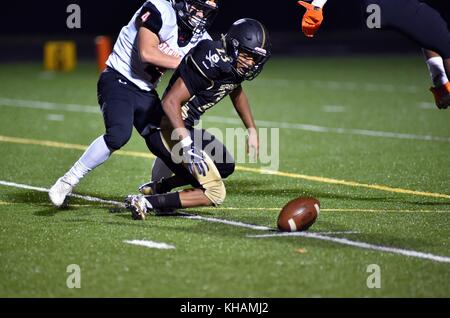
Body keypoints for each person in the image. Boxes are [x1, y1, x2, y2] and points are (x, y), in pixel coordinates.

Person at [48, 0, 220, 207]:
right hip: (117, 79)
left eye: (206, 12)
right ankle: (67, 181)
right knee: (118, 134)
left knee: (166, 144)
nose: (200, 16)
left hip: (146, 91)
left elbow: (217, 63)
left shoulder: (201, 38)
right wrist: (189, 65)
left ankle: (159, 192)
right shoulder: (158, 9)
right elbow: (147, 53)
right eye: (197, 8)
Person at [124, 18, 272, 220]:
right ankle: (145, 202)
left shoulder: (232, 63)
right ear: (234, 45)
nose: (251, 63)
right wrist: (186, 145)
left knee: (224, 165)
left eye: (256, 59)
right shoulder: (212, 59)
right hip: (167, 130)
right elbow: (169, 102)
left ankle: (159, 187)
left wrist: (251, 129)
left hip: (183, 128)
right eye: (248, 55)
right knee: (215, 193)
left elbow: (235, 90)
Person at [297, 0, 450, 109]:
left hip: (373, 9)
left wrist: (317, 6)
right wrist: (317, 5)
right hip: (389, 5)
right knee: (445, 41)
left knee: (431, 32)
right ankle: (442, 86)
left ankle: (441, 82)